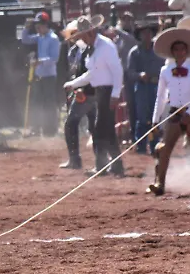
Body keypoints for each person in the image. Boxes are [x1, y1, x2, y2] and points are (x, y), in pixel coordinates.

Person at [146, 28, 190, 196]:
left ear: (186, 51)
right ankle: (159, 183)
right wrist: (155, 120)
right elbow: (160, 97)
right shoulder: (165, 71)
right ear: (172, 52)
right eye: (176, 49)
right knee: (163, 148)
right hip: (174, 113)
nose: (179, 52)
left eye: (182, 49)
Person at [64, 15, 125, 176]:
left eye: (83, 35)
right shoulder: (94, 48)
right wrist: (74, 83)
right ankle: (116, 164)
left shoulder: (105, 46)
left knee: (99, 129)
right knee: (107, 130)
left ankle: (101, 165)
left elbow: (117, 70)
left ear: (90, 33)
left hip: (107, 91)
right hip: (101, 92)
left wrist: (115, 94)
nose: (82, 39)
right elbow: (91, 74)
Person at [60, 20, 95, 170]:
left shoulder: (85, 49)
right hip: (83, 89)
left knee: (72, 124)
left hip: (87, 91)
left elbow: (86, 71)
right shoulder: (75, 50)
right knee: (93, 124)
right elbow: (75, 71)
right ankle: (100, 159)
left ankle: (76, 159)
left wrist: (78, 87)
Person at [20, 12, 63, 136]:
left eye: (39, 26)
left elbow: (54, 58)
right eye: (36, 26)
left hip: (49, 75)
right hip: (39, 75)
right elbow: (25, 39)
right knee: (37, 101)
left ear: (45, 25)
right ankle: (36, 128)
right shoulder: (39, 37)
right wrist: (26, 28)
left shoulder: (53, 38)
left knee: (49, 102)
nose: (37, 28)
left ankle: (51, 129)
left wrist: (40, 62)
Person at [126, 24, 164, 154]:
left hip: (157, 86)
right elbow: (130, 72)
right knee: (142, 117)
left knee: (155, 117)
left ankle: (155, 144)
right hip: (142, 87)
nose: (147, 35)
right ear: (140, 35)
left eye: (149, 33)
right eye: (144, 33)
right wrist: (140, 75)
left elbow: (165, 67)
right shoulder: (134, 52)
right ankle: (141, 145)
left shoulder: (159, 51)